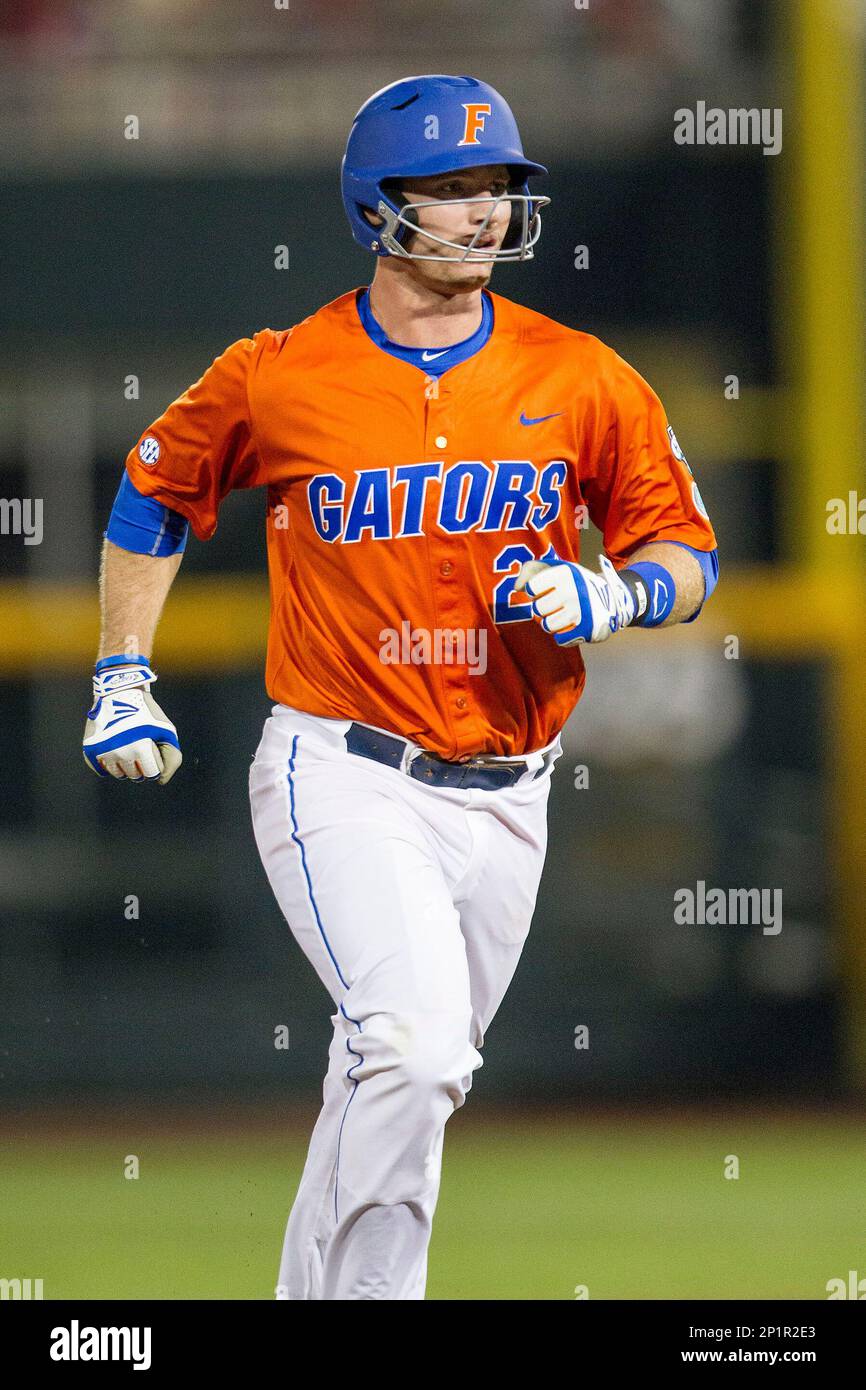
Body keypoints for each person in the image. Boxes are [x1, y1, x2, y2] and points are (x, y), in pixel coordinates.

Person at [84, 74, 719, 1299]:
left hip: (509, 792)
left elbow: (682, 553)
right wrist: (121, 670)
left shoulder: (580, 374)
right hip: (343, 767)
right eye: (453, 186)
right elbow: (153, 488)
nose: (485, 212)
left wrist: (617, 595)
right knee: (415, 1055)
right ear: (378, 205)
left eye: (499, 186)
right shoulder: (280, 372)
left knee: (399, 1077)